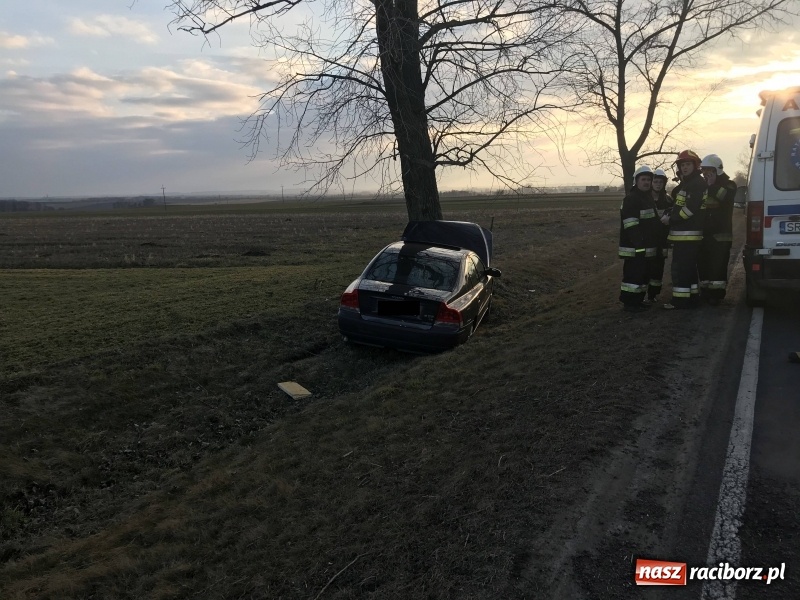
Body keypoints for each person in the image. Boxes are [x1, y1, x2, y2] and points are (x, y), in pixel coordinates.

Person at [663, 150, 707, 309]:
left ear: (695, 166)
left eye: (688, 164)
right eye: (682, 165)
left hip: (687, 235)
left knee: (681, 269)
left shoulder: (695, 183)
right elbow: (680, 205)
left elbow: (689, 210)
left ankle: (680, 301)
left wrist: (671, 219)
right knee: (689, 268)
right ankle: (693, 297)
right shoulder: (690, 182)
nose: (685, 167)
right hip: (686, 235)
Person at [619, 165, 660, 312]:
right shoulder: (632, 199)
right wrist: (640, 246)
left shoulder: (647, 198)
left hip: (645, 248)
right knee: (633, 276)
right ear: (636, 181)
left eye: (649, 179)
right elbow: (631, 225)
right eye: (643, 179)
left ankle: (638, 300)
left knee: (643, 276)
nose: (647, 182)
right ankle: (629, 303)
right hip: (635, 248)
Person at [698, 154, 737, 305]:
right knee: (703, 264)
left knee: (718, 266)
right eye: (704, 171)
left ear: (717, 170)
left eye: (709, 171)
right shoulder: (703, 185)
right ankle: (705, 292)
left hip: (721, 236)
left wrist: (712, 184)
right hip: (704, 234)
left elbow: (724, 197)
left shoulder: (729, 185)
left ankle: (716, 295)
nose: (705, 174)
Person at [645, 168, 674, 303]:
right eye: (655, 181)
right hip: (647, 239)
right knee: (645, 267)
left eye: (660, 182)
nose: (658, 184)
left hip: (662, 240)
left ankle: (653, 294)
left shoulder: (668, 200)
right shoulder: (644, 199)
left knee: (658, 268)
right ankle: (642, 293)